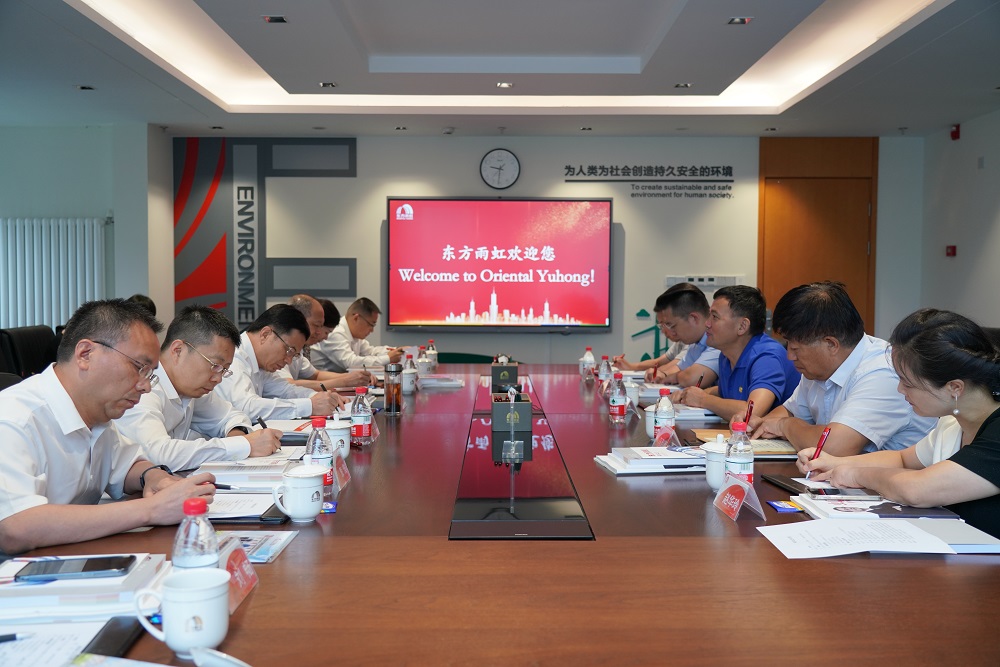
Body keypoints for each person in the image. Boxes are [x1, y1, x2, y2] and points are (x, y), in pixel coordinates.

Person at [0, 299, 215, 555]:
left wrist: (155, 477)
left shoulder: (97, 415)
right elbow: (15, 527)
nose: (146, 386)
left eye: (150, 374)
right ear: (85, 354)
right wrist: (152, 509)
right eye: (139, 367)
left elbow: (128, 465)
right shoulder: (14, 418)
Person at [799, 308, 1000, 537]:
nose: (900, 390)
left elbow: (917, 489)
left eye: (908, 383)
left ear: (954, 387)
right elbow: (903, 459)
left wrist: (855, 475)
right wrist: (834, 463)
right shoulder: (952, 425)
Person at [751, 282, 935, 455]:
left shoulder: (883, 372)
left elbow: (834, 447)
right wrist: (758, 425)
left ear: (831, 344)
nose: (790, 356)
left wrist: (785, 426)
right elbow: (790, 411)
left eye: (795, 348)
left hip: (900, 476)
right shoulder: (816, 369)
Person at [115, 305, 284, 471]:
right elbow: (158, 455)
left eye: (224, 370)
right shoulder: (143, 390)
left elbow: (231, 416)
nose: (218, 378)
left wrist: (239, 439)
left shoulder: (192, 390)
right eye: (215, 365)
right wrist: (243, 445)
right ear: (178, 350)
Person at [675, 286, 799, 422]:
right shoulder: (726, 355)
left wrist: (702, 399)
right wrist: (688, 394)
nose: (707, 323)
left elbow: (751, 412)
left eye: (715, 317)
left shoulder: (767, 356)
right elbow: (727, 392)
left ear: (742, 326)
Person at [215, 304, 342, 420]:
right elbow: (246, 407)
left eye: (294, 355)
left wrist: (319, 398)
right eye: (289, 350)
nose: (288, 361)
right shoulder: (234, 356)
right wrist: (309, 406)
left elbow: (285, 390)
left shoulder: (261, 362)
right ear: (265, 334)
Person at [275, 294, 373, 390]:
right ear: (298, 319)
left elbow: (316, 375)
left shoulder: (298, 349)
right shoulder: (279, 345)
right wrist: (345, 381)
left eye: (321, 326)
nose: (319, 332)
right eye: (316, 325)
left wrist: (355, 377)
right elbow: (287, 385)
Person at [645, 283, 720, 388]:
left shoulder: (717, 340)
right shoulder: (696, 343)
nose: (672, 332)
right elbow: (681, 368)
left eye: (671, 325)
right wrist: (663, 374)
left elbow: (693, 378)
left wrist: (675, 377)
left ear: (693, 318)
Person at [311, 297, 405, 372]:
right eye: (371, 324)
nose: (372, 330)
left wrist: (398, 351)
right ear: (356, 318)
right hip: (322, 383)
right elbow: (351, 363)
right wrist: (388, 358)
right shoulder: (335, 332)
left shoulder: (355, 335)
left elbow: (370, 351)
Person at [613, 290, 689, 373]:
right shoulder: (680, 342)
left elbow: (676, 366)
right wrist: (629, 366)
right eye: (661, 326)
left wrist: (657, 373)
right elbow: (657, 362)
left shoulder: (692, 343)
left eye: (667, 324)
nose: (663, 331)